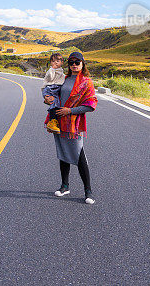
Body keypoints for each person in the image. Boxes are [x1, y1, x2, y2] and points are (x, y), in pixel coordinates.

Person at [43, 51, 97, 204]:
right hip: (59, 122)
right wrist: (48, 100)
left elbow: (91, 105)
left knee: (79, 156)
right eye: (71, 62)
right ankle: (65, 186)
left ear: (82, 64)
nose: (74, 65)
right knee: (63, 153)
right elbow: (55, 96)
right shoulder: (63, 79)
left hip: (74, 124)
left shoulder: (87, 82)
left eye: (77, 62)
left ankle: (88, 191)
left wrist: (70, 110)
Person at [42, 53, 65, 134]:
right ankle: (52, 121)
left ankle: (53, 121)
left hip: (55, 88)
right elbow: (50, 78)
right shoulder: (51, 71)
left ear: (62, 62)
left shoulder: (61, 71)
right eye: (53, 61)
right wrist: (52, 69)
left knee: (56, 103)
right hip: (50, 88)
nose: (55, 63)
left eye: (57, 61)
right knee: (54, 103)